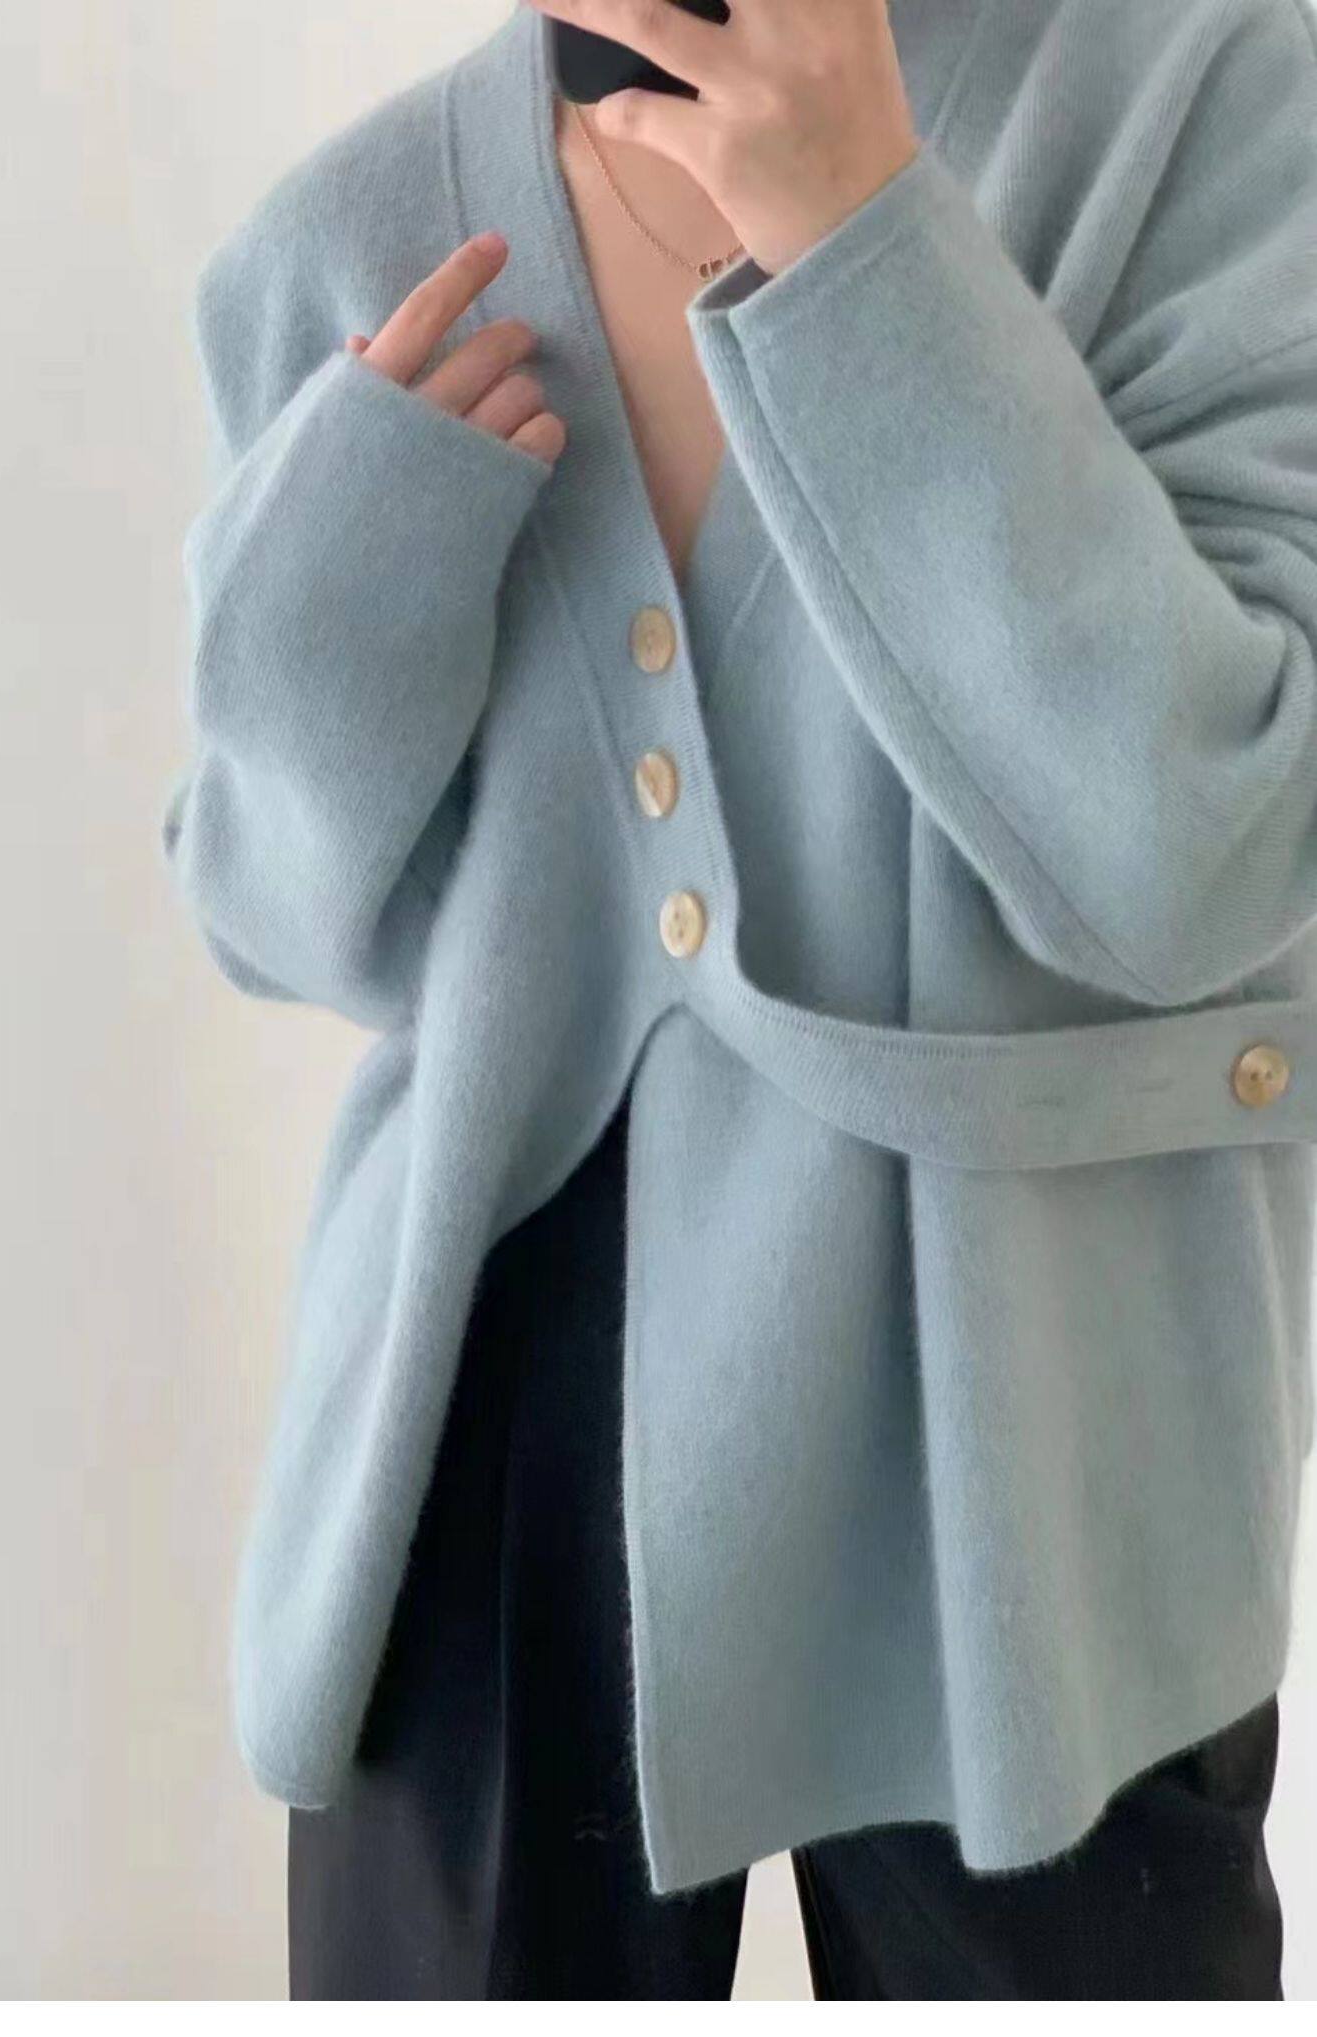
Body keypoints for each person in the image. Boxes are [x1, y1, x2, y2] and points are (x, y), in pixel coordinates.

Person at [162, 0, 1317, 1998]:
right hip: (480, 1417)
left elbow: (1206, 857)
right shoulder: (341, 242)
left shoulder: (1201, 94)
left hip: (1036, 1434)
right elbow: (275, 925)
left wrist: (870, 250)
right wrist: (344, 578)